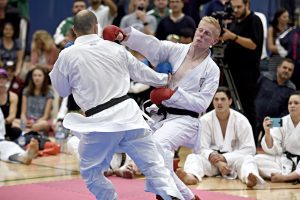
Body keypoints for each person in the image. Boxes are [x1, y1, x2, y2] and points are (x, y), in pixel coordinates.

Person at [50, 10, 185, 200]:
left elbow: (62, 90)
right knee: (154, 165)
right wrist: (167, 79)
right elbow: (142, 73)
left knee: (91, 172)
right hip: (129, 116)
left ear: (73, 30)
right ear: (96, 27)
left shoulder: (67, 55)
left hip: (99, 124)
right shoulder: (115, 48)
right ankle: (171, 195)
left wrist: (69, 61)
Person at [110, 15, 221, 200]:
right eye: (200, 30)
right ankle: (182, 196)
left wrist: (173, 94)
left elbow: (202, 103)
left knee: (158, 145)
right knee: (148, 152)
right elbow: (155, 47)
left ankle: (169, 193)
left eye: (207, 34)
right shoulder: (177, 50)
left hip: (186, 119)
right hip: (162, 116)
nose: (201, 35)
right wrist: (127, 36)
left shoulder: (212, 70)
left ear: (214, 41)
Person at [176, 87, 264, 188]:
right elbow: (200, 148)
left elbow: (249, 149)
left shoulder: (241, 120)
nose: (219, 103)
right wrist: (218, 162)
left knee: (248, 159)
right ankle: (191, 176)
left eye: (223, 99)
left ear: (230, 101)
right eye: (216, 99)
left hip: (234, 162)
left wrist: (225, 158)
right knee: (193, 157)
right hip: (212, 162)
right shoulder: (205, 120)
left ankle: (249, 177)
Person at [221, 0, 263, 132]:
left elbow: (253, 44)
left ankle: (252, 138)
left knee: (247, 106)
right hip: (231, 70)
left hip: (247, 72)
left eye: (239, 7)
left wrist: (232, 36)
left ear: (247, 5)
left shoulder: (254, 20)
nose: (236, 10)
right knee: (230, 105)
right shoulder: (234, 21)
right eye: (234, 8)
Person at [255, 91, 300, 180]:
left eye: (296, 103)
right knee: (255, 159)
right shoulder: (281, 121)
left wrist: (284, 177)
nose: (292, 105)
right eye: (290, 103)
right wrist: (267, 131)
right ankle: (286, 175)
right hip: (284, 161)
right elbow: (272, 150)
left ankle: (286, 177)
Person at [254, 58, 296, 145]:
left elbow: (287, 112)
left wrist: (272, 123)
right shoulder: (264, 77)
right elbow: (253, 94)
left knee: (267, 151)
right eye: (284, 67)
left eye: (290, 70)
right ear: (278, 68)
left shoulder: (292, 89)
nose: (287, 71)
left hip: (273, 125)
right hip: (254, 119)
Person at [19, 66, 54, 134]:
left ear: (44, 77)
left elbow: (46, 116)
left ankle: (27, 131)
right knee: (14, 122)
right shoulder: (26, 91)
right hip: (28, 120)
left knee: (44, 124)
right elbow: (23, 113)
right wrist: (25, 121)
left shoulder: (49, 93)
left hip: (40, 121)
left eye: (39, 75)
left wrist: (34, 122)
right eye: (34, 75)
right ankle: (29, 131)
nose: (37, 78)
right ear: (32, 77)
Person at [267, 8, 290, 73]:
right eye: (284, 17)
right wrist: (285, 49)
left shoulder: (290, 29)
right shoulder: (271, 29)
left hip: (287, 60)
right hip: (275, 59)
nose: (287, 19)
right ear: (278, 18)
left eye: (288, 17)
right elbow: (271, 47)